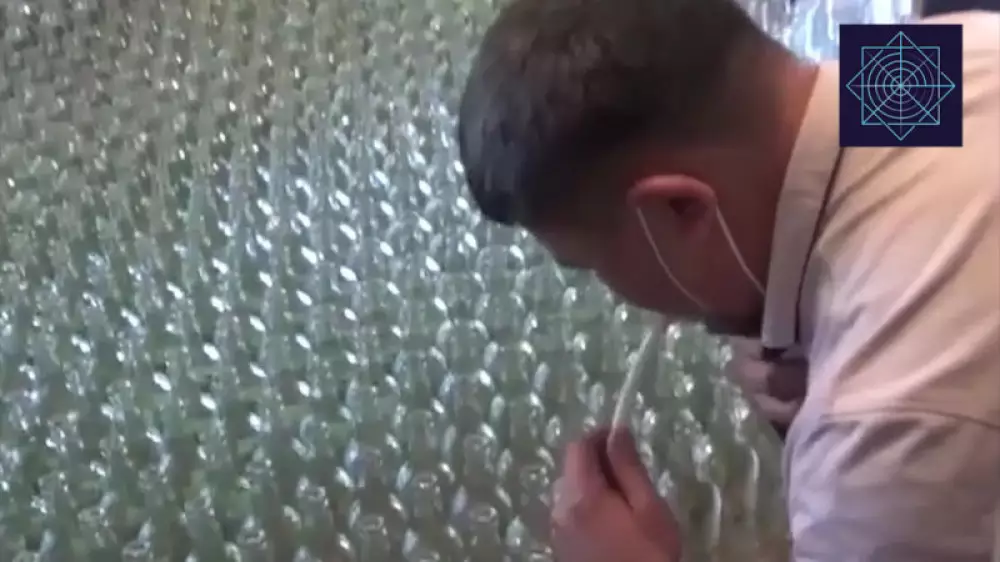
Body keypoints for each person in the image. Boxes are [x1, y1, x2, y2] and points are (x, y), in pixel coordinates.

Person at [455, 0, 1000, 560]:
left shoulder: (875, 450)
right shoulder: (937, 57)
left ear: (679, 208)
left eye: (591, 265)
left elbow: (898, 429)